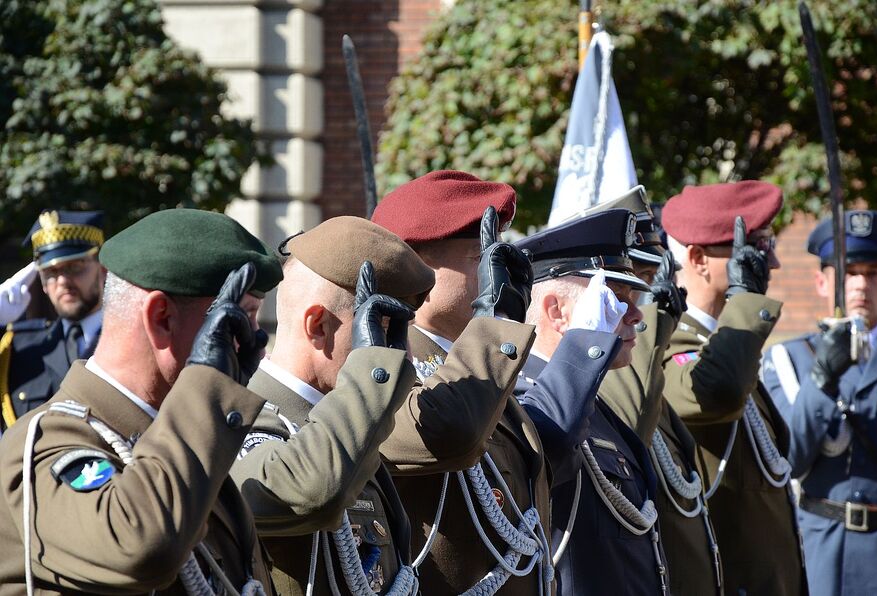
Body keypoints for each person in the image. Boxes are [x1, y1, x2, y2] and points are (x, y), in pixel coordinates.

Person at [0, 208, 282, 594]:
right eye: (238, 320)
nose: (252, 341)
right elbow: (142, 544)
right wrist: (209, 385)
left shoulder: (187, 437)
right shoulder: (44, 443)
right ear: (162, 318)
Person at [230, 216, 433, 595]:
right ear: (319, 326)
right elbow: (313, 492)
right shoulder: (249, 422)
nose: (400, 356)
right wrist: (372, 375)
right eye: (382, 333)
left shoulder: (350, 422)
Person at [371, 170, 548, 595]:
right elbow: (451, 432)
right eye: (478, 260)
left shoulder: (476, 361)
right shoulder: (387, 366)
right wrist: (495, 321)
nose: (494, 278)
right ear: (417, 268)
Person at [514, 208, 674, 595]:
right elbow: (551, 438)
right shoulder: (523, 399)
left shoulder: (591, 399)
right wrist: (587, 344)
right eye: (616, 298)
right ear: (557, 311)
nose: (636, 314)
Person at [660, 181, 806, 596]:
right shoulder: (669, 344)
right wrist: (745, 301)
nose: (772, 262)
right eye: (755, 248)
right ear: (698, 258)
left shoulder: (733, 343)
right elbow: (716, 392)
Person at [581, 187, 723, 595]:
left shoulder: (652, 361)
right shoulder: (609, 371)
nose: (639, 304)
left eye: (644, 282)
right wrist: (657, 318)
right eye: (631, 285)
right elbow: (634, 417)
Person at [761, 210, 877, 596]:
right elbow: (792, 457)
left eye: (871, 273)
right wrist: (821, 379)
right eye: (848, 273)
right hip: (821, 550)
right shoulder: (790, 360)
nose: (859, 285)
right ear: (822, 282)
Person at [1, 210, 106, 431]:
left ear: (103, 269)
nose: (63, 281)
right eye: (50, 272)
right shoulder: (19, 348)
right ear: (41, 282)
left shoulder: (134, 339)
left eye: (74, 267)